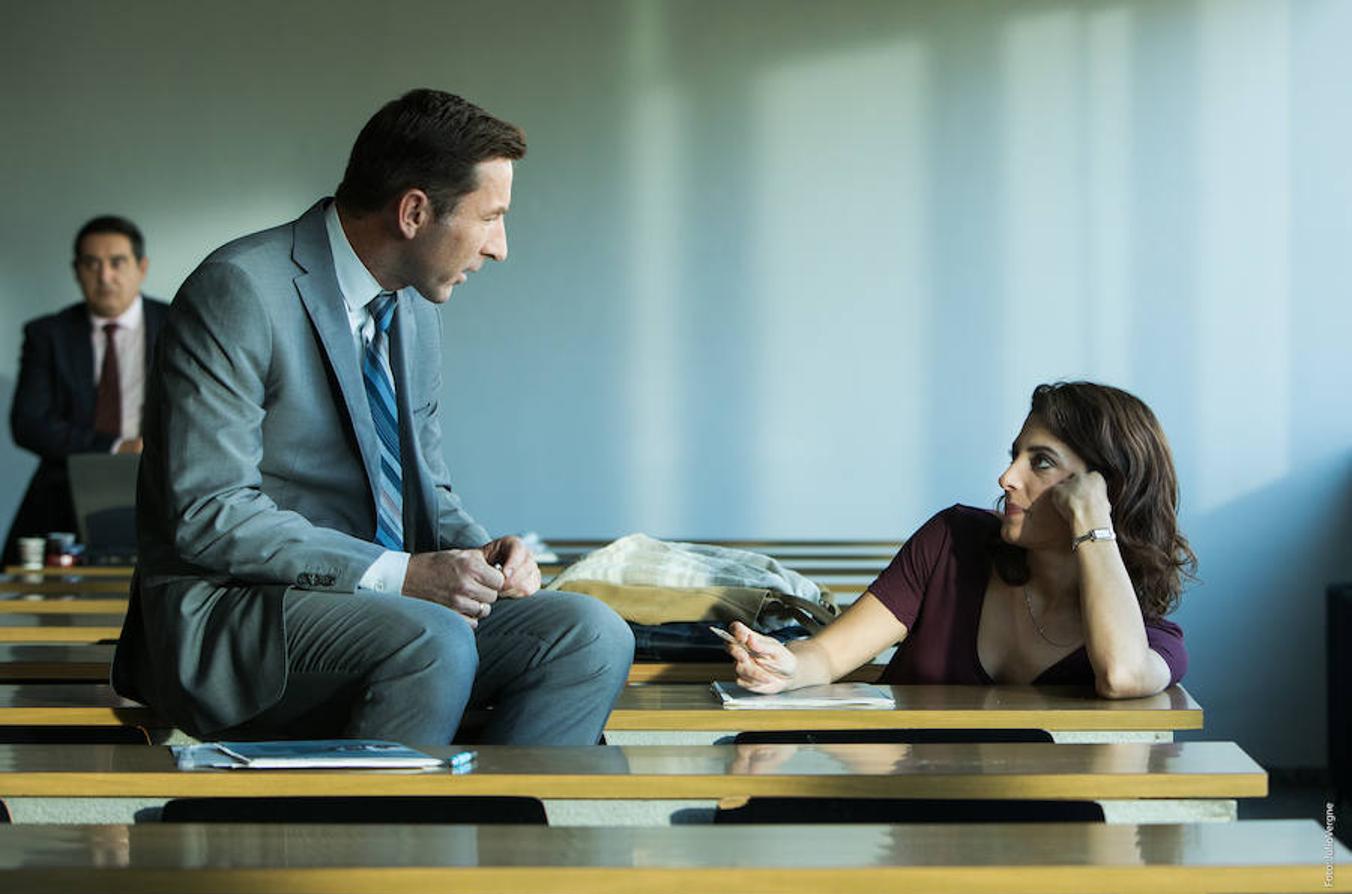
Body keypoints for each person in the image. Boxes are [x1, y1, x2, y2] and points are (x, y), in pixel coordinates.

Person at [112, 89, 634, 744]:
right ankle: (385, 840)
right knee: (433, 638)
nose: (500, 247)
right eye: (491, 216)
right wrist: (401, 574)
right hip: (237, 617)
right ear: (415, 211)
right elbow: (210, 514)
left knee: (589, 634)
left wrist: (483, 554)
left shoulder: (414, 310)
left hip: (393, 610)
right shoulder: (240, 290)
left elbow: (426, 488)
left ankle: (497, 836)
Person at [724, 382, 1195, 700]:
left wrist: (1094, 519)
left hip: (1032, 842)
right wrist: (786, 667)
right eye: (1015, 456)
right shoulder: (952, 542)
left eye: (1042, 463)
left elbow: (1122, 676)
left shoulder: (1149, 641)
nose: (1007, 477)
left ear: (1100, 487)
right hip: (894, 813)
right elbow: (827, 656)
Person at [4, 216, 170, 564]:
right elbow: (29, 423)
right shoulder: (47, 334)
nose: (104, 276)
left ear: (141, 267)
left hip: (162, 488)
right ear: (76, 270)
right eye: (91, 264)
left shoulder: (179, 325)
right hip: (65, 490)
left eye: (116, 262)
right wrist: (114, 447)